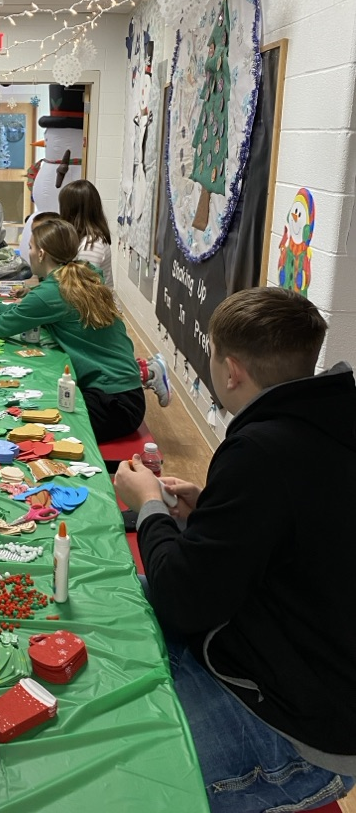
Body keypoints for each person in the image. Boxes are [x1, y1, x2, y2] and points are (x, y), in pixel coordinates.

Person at [114, 287, 356, 813]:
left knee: (130, 779)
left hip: (303, 728)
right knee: (115, 607)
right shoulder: (325, 425)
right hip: (300, 662)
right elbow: (304, 533)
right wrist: (212, 510)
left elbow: (182, 600)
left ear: (231, 372)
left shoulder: (261, 452)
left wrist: (149, 505)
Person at [0, 218, 144, 442]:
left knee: (31, 427)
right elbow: (30, 312)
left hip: (114, 404)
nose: (28, 252)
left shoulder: (52, 291)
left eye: (31, 247)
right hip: (125, 392)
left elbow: (1, 326)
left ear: (42, 254)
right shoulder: (84, 274)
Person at [59, 180, 171, 407]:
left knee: (106, 369)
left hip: (99, 315)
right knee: (106, 365)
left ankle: (151, 373)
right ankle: (149, 369)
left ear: (71, 209)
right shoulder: (84, 239)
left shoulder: (91, 244)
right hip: (96, 312)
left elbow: (80, 286)